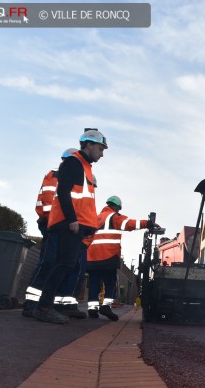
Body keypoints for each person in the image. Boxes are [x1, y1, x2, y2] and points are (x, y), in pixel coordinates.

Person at [33, 128, 107, 324]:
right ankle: (44, 307)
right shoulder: (74, 163)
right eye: (100, 148)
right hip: (69, 224)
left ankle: (46, 306)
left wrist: (87, 225)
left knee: (65, 264)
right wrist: (73, 220)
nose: (102, 153)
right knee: (64, 263)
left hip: (74, 224)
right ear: (89, 144)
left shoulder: (83, 166)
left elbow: (82, 200)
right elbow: (64, 192)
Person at [22, 148, 87, 319]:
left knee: (57, 263)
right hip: (53, 224)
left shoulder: (63, 176)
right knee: (48, 262)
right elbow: (50, 204)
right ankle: (31, 304)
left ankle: (45, 304)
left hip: (58, 224)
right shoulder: (55, 176)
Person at [85, 195, 158, 321]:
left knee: (94, 282)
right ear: (116, 206)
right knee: (110, 282)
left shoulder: (96, 218)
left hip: (91, 256)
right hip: (108, 254)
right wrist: (148, 223)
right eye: (118, 208)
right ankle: (106, 306)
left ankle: (92, 309)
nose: (119, 210)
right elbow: (129, 224)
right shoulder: (113, 217)